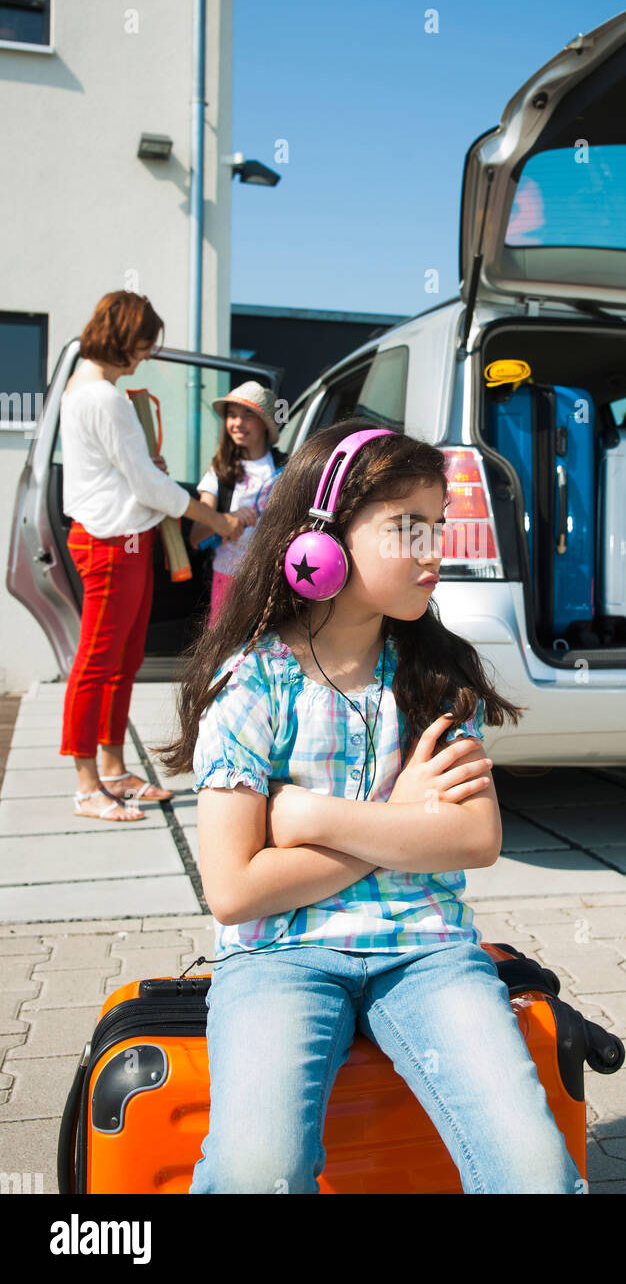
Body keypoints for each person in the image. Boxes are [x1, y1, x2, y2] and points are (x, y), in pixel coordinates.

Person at [159, 416, 589, 1194]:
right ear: (320, 542)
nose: (436, 552)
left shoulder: (438, 672)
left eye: (441, 527)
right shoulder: (252, 683)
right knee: (257, 1172)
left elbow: (474, 839)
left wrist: (308, 818)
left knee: (535, 1171)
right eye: (408, 528)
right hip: (280, 957)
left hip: (427, 949)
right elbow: (235, 890)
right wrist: (405, 821)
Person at [60, 291, 253, 822]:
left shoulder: (86, 388)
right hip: (110, 544)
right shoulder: (103, 397)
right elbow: (146, 485)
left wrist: (147, 465)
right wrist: (216, 520)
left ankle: (114, 767)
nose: (146, 355)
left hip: (120, 541)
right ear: (124, 339)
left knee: (122, 663)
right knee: (97, 665)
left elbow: (127, 470)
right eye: (144, 346)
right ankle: (86, 784)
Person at [189, 381, 287, 629]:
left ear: (265, 422)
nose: (237, 423)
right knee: (224, 652)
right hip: (227, 577)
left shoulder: (285, 469)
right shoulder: (219, 471)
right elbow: (196, 536)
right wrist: (227, 519)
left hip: (272, 580)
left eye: (247, 415)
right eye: (232, 415)